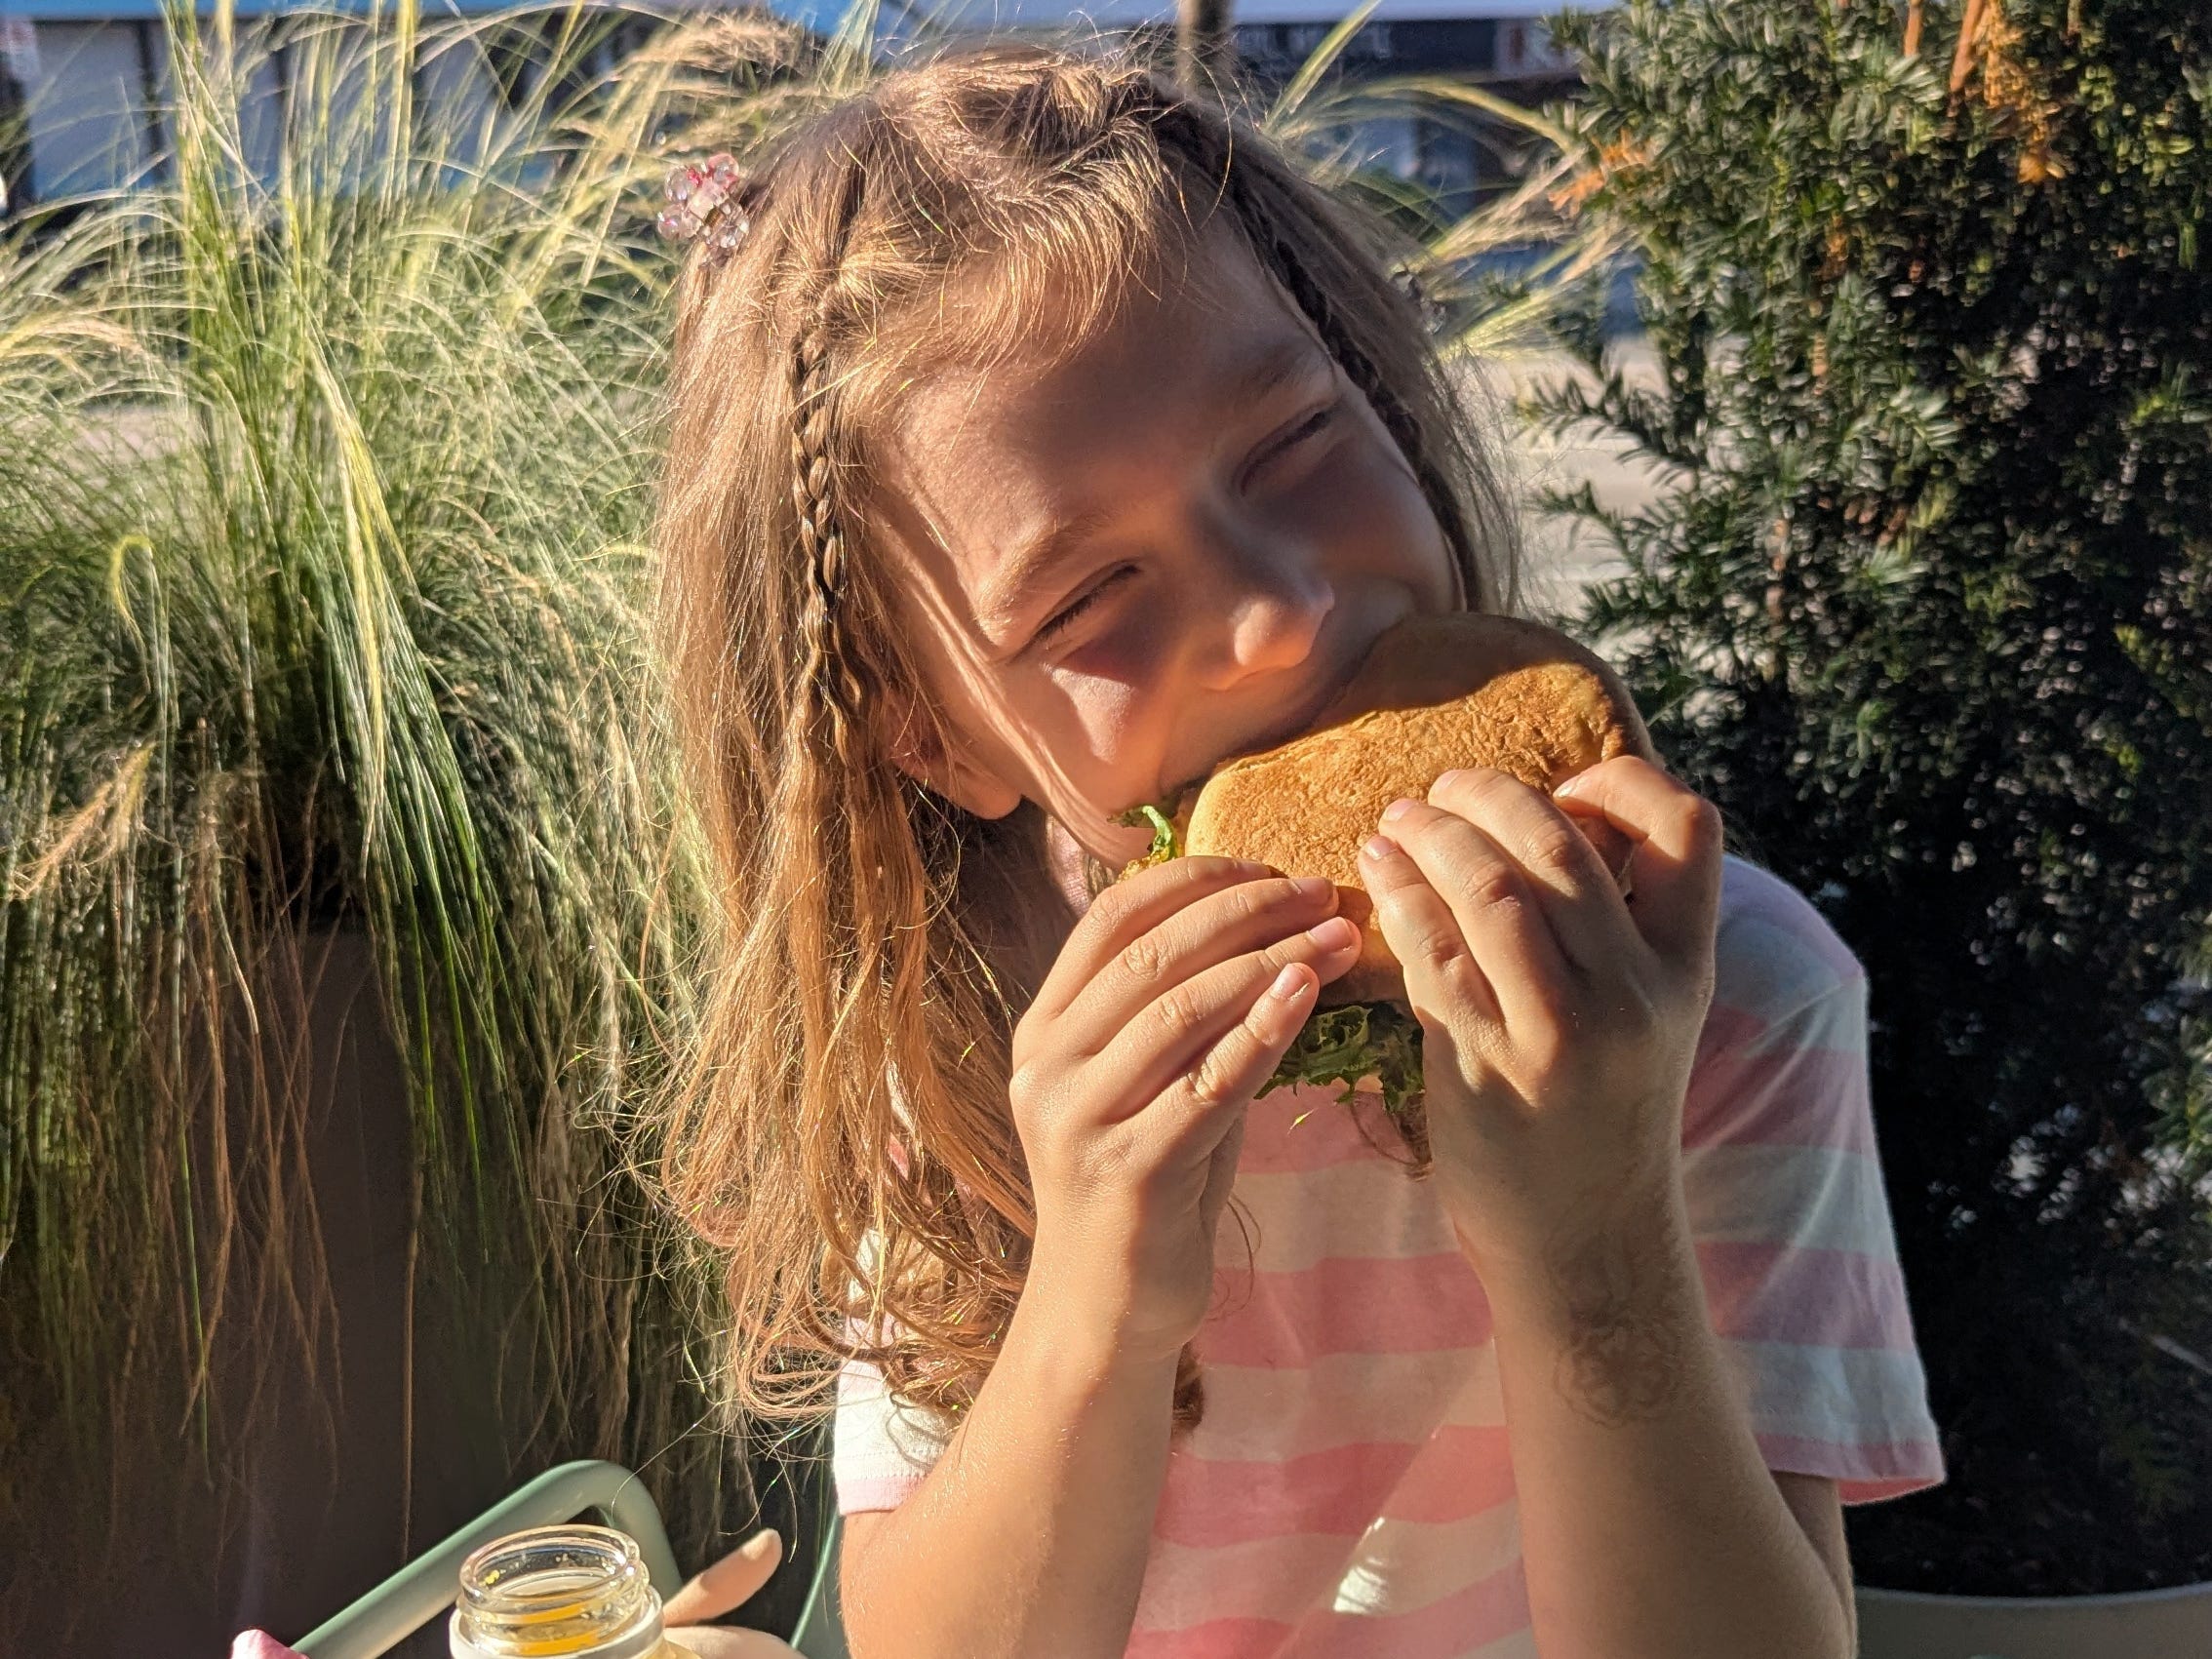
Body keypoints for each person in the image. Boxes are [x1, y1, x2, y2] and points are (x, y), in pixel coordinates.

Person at [651, 38, 1944, 1659]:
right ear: (928, 733)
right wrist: (1097, 1306)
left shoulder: (1717, 1004)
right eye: (1084, 597)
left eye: (1291, 446)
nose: (1276, 614)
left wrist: (1592, 1240)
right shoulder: (962, 1048)